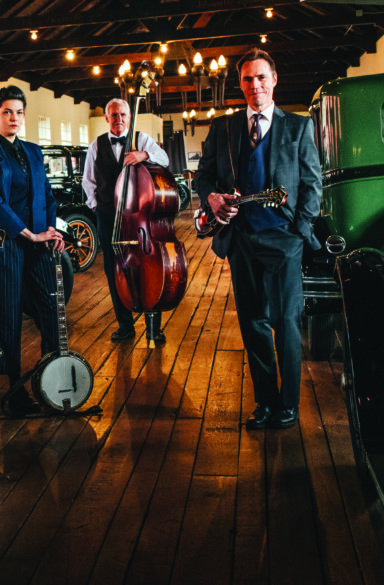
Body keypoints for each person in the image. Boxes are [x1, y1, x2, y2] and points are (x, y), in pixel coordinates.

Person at [193, 48, 322, 430]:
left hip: (285, 239)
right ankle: (265, 401)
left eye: (261, 77)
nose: (255, 86)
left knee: (286, 322)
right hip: (242, 240)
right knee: (253, 323)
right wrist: (210, 196)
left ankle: (289, 404)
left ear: (274, 79)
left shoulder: (298, 127)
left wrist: (299, 231)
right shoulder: (224, 127)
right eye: (248, 79)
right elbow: (203, 176)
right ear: (241, 84)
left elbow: (313, 184)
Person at [0, 85, 64, 416]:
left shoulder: (34, 151)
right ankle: (15, 390)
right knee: (9, 317)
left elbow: (48, 195)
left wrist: (50, 229)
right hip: (5, 242)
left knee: (51, 312)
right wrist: (27, 233)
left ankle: (51, 377)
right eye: (7, 111)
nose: (14, 118)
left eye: (19, 112)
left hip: (40, 242)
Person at [82, 98, 171, 344]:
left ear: (129, 117)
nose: (118, 119)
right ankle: (125, 325)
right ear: (106, 118)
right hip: (109, 217)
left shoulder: (141, 139)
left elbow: (164, 159)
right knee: (115, 269)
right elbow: (88, 182)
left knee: (149, 266)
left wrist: (144, 154)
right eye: (114, 115)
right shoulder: (95, 146)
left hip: (140, 216)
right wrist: (98, 207)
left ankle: (154, 327)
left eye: (123, 114)